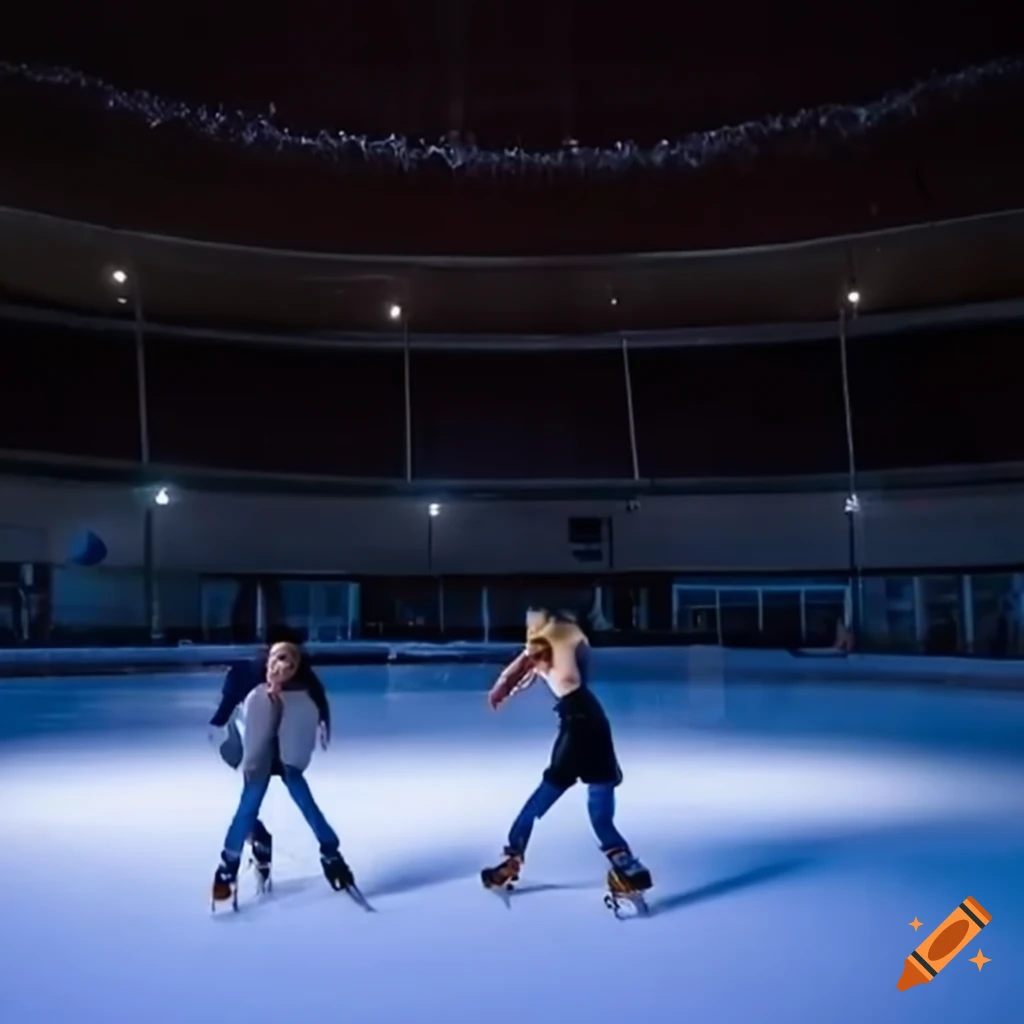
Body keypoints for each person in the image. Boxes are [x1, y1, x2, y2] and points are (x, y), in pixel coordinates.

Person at [480, 609, 652, 906]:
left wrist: (502, 687)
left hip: (577, 725)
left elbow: (522, 665)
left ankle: (512, 858)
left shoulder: (546, 642)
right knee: (601, 814)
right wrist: (510, 685)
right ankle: (628, 866)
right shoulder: (568, 640)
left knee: (540, 800)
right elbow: (533, 666)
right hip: (596, 721)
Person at [210, 641, 355, 908]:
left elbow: (318, 697)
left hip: (287, 740)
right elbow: (227, 707)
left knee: (301, 794)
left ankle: (330, 852)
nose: (283, 677)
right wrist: (220, 727)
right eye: (278, 673)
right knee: (250, 800)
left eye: (290, 673)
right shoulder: (247, 674)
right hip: (256, 736)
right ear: (268, 665)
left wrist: (323, 721)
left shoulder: (303, 678)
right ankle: (233, 859)